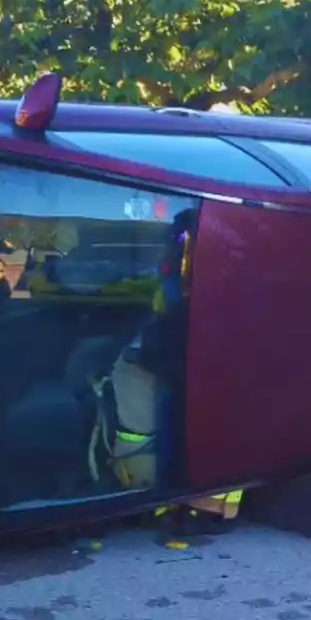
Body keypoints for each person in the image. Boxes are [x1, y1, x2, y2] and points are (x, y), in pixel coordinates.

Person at [87, 208, 242, 534]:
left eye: (180, 238)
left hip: (193, 365)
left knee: (191, 424)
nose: (174, 247)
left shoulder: (212, 271)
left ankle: (196, 507)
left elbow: (188, 319)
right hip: (179, 360)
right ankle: (181, 504)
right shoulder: (187, 267)